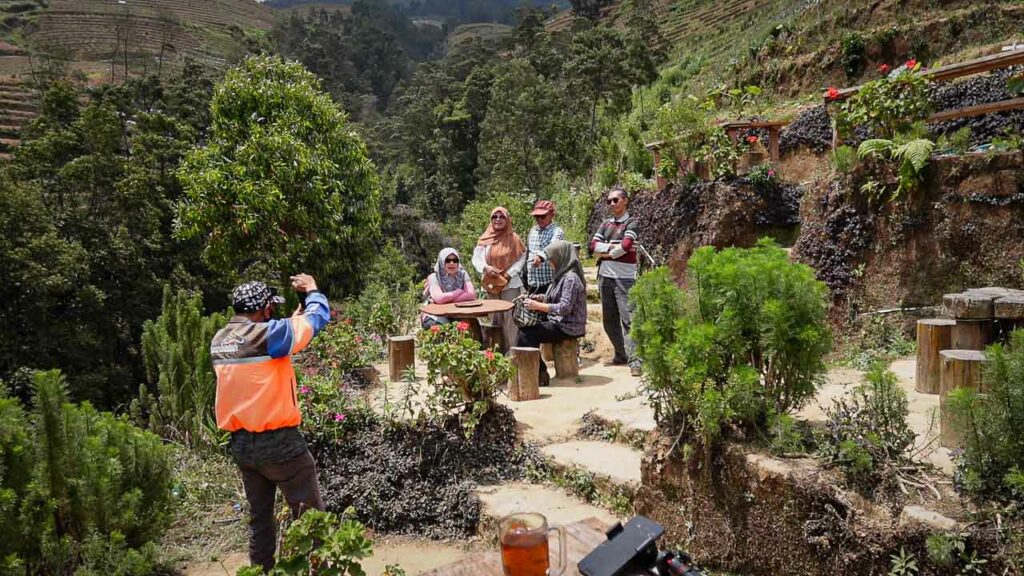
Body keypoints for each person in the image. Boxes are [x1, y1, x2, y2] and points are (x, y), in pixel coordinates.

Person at [211, 274, 331, 571]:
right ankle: (318, 569)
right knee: (309, 515)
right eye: (271, 309)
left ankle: (260, 570)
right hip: (280, 444)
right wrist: (312, 291)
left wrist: (292, 322)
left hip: (242, 445)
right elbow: (317, 318)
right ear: (265, 308)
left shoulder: (220, 340)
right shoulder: (270, 336)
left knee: (260, 518)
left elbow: (268, 349)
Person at [517, 240, 587, 387]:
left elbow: (565, 307)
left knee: (527, 334)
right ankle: (538, 372)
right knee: (526, 331)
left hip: (569, 326)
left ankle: (539, 374)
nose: (549, 263)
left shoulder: (570, 279)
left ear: (560, 257)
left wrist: (539, 306)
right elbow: (556, 298)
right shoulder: (562, 275)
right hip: (560, 322)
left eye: (551, 260)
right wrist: (537, 298)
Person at [590, 187, 642, 377]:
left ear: (625, 201)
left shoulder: (632, 222)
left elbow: (627, 246)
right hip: (605, 276)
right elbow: (593, 245)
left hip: (625, 278)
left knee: (629, 320)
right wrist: (614, 249)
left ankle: (636, 360)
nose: (612, 204)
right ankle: (621, 354)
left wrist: (608, 252)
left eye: (615, 200)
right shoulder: (605, 224)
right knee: (609, 320)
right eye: (609, 201)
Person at [472, 207, 527, 352]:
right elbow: (476, 258)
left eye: (501, 217)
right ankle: (497, 352)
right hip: (492, 283)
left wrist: (509, 274)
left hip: (511, 283)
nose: (497, 219)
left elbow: (522, 258)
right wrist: (486, 268)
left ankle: (513, 351)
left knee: (511, 319)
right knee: (495, 319)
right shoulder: (486, 238)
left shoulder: (514, 238)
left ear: (507, 219)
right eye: (494, 217)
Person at [421, 247, 476, 328]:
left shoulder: (463, 274)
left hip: (457, 312)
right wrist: (458, 292)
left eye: (455, 260)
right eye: (448, 260)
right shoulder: (434, 277)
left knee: (471, 324)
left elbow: (471, 295)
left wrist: (447, 299)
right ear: (442, 262)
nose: (451, 263)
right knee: (436, 326)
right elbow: (439, 298)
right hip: (436, 314)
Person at [526, 199, 565, 295]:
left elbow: (552, 247)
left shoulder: (557, 231)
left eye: (542, 216)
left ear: (552, 215)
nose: (539, 219)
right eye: (537, 216)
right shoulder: (533, 231)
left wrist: (540, 257)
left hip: (549, 282)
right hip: (532, 282)